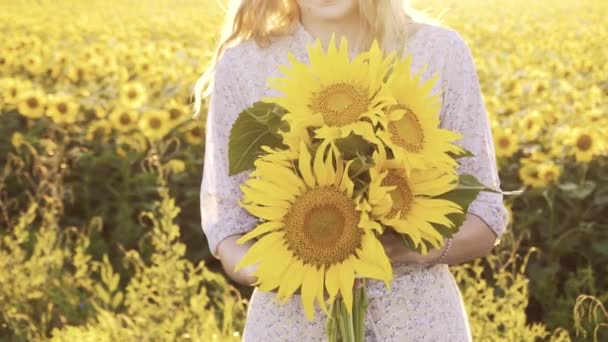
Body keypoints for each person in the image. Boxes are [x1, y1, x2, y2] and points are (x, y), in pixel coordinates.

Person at [193, 0, 509, 340]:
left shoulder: (439, 52)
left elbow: (486, 214)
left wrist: (414, 249)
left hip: (418, 321)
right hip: (292, 324)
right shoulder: (245, 64)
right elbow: (228, 224)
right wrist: (297, 266)